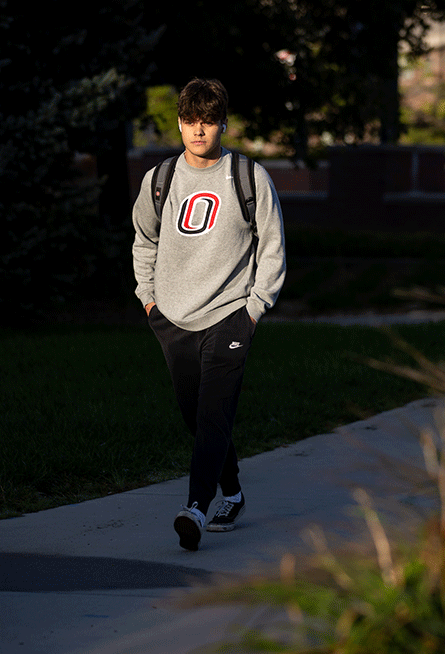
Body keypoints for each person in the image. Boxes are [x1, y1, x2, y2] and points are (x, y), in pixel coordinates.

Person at [131, 78, 286, 551]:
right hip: (172, 318)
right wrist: (150, 301)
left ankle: (195, 508)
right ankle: (233, 492)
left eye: (207, 121)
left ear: (222, 123)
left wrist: (254, 309)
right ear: (180, 124)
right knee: (196, 416)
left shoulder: (247, 176)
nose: (198, 130)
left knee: (215, 414)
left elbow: (273, 245)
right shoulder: (160, 179)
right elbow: (144, 240)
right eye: (190, 121)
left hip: (229, 317)